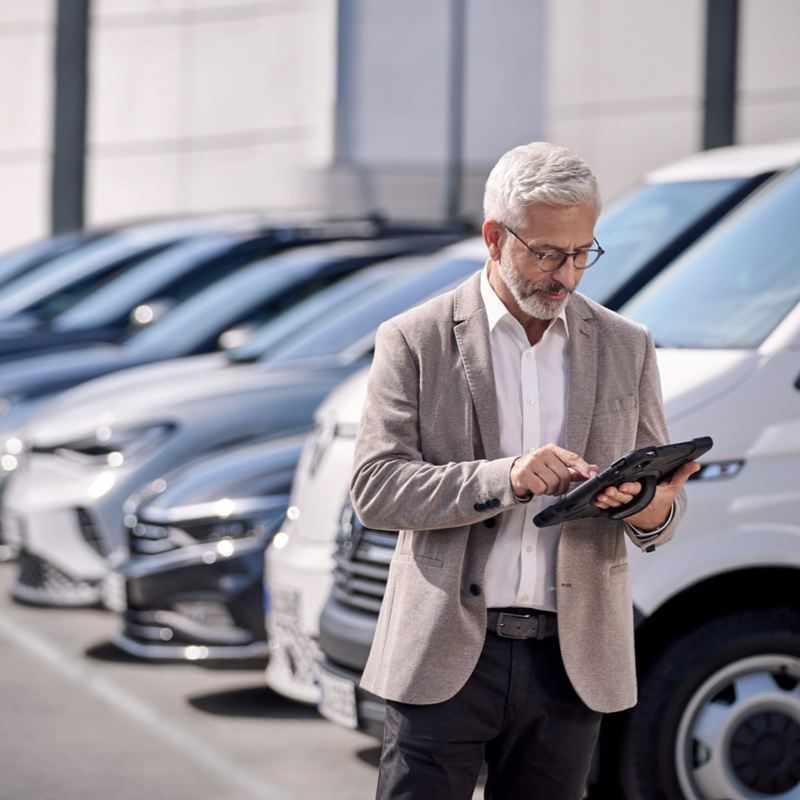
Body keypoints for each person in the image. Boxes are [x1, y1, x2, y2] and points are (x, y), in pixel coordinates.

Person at [350, 141, 699, 800]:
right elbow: (376, 488)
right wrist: (505, 478)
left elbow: (662, 513)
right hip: (446, 655)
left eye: (581, 253)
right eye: (545, 252)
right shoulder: (414, 338)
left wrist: (647, 508)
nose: (564, 274)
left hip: (570, 664)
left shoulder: (628, 346)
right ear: (493, 237)